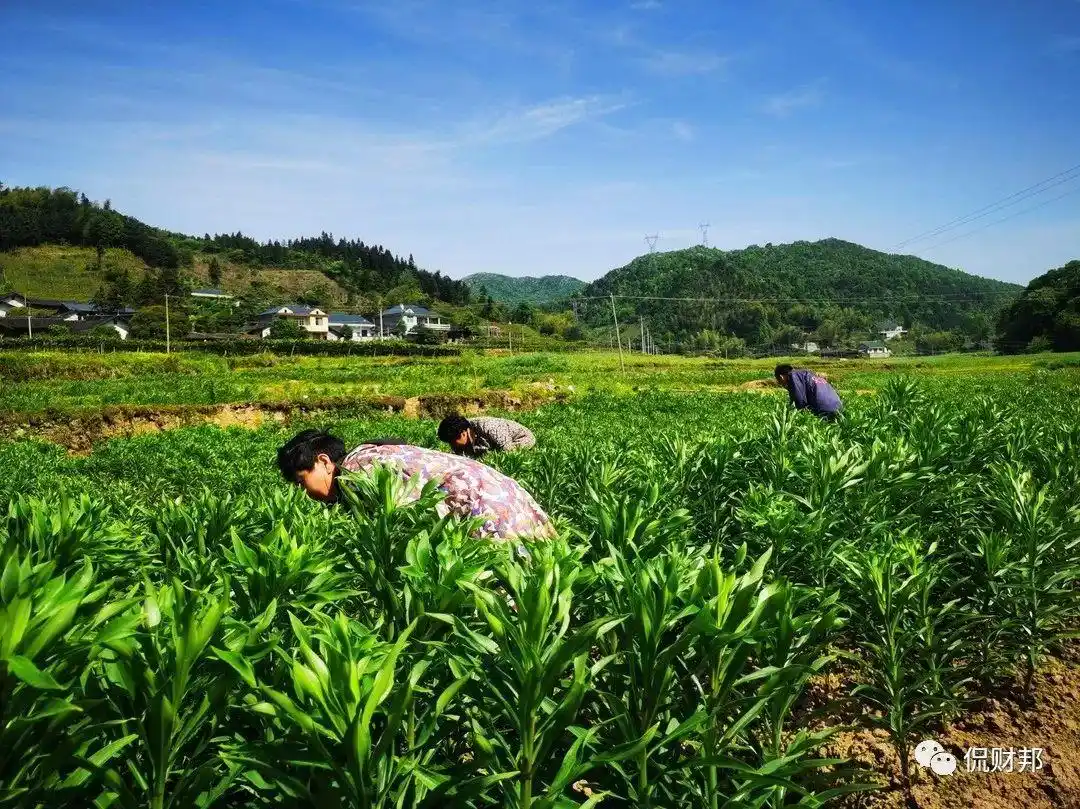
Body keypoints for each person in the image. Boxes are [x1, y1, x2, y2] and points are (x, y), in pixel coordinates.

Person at [277, 429, 554, 541]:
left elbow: (403, 529)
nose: (305, 493)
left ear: (324, 461)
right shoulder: (367, 456)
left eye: (302, 481)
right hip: (505, 496)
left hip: (488, 512)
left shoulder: (356, 473)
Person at [437, 413, 536, 459]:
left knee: (500, 456)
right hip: (489, 443)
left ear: (463, 433)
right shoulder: (462, 432)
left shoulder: (489, 427)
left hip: (519, 439)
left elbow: (508, 450)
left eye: (452, 442)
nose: (452, 446)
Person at [774, 363, 843, 421]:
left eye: (780, 382)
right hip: (839, 409)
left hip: (824, 410)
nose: (782, 385)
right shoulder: (810, 374)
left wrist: (790, 416)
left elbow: (799, 400)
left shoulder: (792, 376)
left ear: (781, 377)